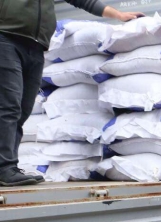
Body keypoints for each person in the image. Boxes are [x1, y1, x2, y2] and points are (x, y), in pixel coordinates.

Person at [0, 1, 143, 187]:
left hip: (36, 46)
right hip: (6, 38)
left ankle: (8, 167)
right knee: (9, 107)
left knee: (22, 109)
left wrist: (118, 15)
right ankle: (5, 168)